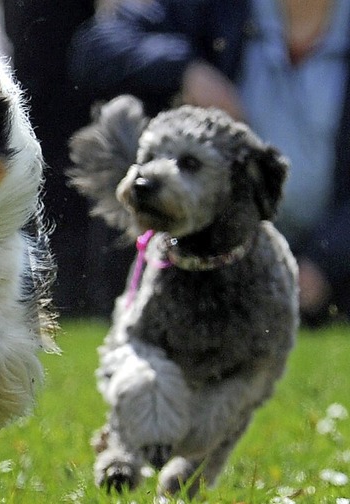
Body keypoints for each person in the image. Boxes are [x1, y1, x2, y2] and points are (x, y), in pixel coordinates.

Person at [69, 0, 350, 325]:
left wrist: (322, 264)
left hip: (325, 279)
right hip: (190, 263)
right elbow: (96, 44)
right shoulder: (212, 8)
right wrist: (187, 70)